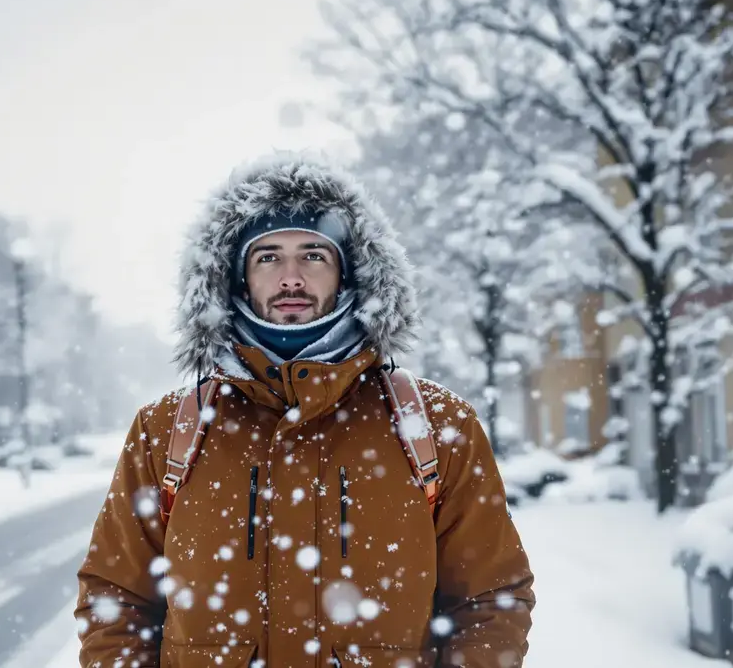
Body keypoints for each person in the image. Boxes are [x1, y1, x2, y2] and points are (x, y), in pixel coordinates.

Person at [75, 153, 535, 668]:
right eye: (267, 257)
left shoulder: (437, 425)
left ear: (350, 272)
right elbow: (116, 601)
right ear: (236, 279)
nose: (291, 278)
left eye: (313, 254)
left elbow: (491, 599)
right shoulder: (167, 431)